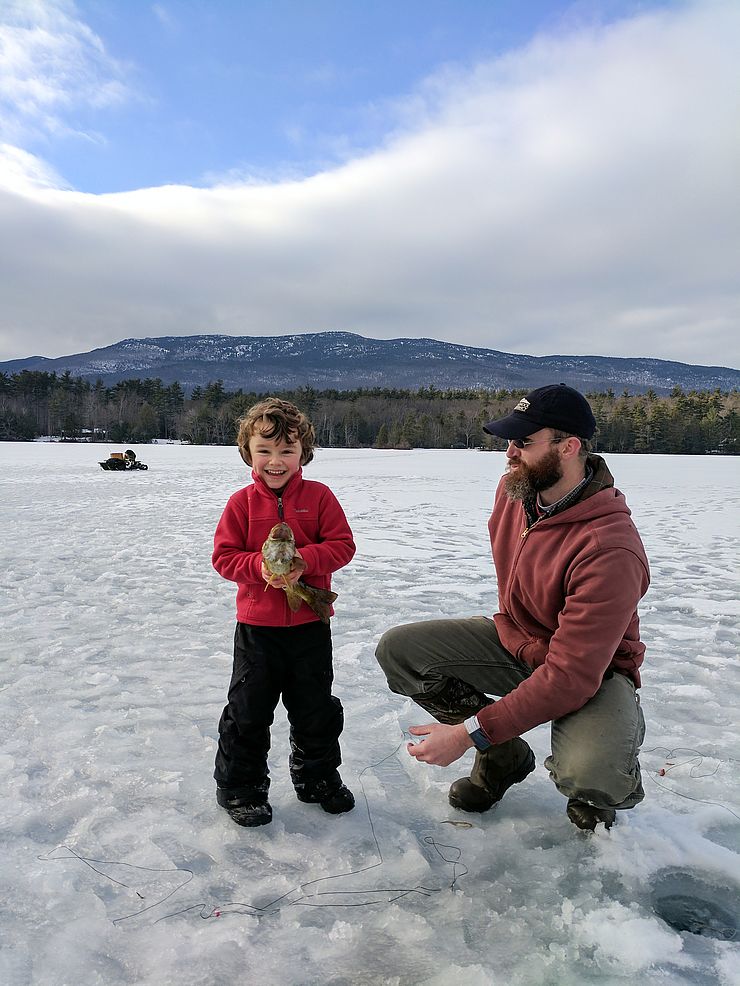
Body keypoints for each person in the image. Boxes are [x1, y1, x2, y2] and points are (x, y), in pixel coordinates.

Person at [376, 384, 650, 831]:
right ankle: (502, 757)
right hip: (518, 643)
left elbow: (570, 675)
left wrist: (467, 733)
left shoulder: (609, 548)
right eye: (510, 440)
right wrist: (491, 732)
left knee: (590, 770)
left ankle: (600, 790)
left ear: (569, 447)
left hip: (592, 672)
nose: (509, 452)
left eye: (523, 442)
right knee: (401, 652)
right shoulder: (515, 492)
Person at [212, 398, 356, 826]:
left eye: (287, 451)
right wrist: (258, 568)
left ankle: (317, 777)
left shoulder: (320, 497)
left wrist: (306, 562)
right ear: (248, 453)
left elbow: (343, 546)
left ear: (303, 453)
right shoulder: (241, 504)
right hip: (257, 630)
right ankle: (241, 787)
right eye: (266, 451)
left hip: (311, 626)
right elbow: (223, 558)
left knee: (315, 709)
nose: (276, 461)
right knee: (248, 711)